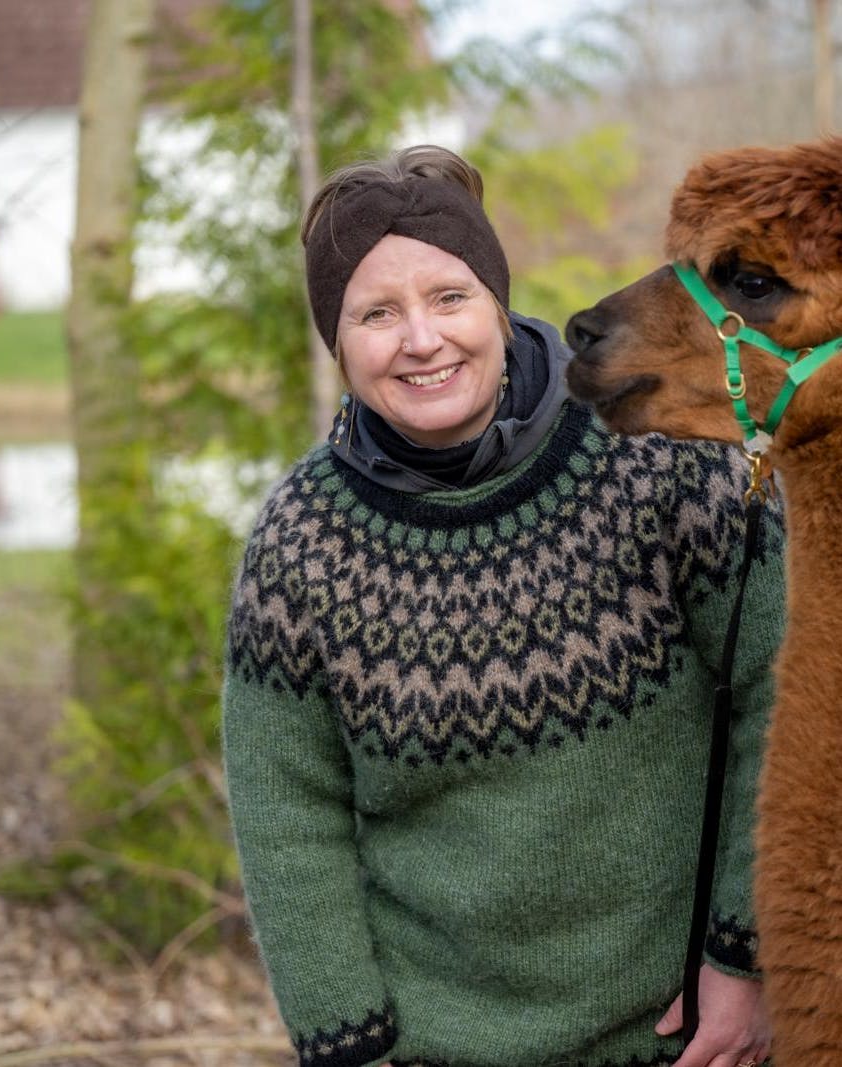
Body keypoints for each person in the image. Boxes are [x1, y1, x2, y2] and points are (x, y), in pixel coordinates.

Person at [222, 144, 785, 1067]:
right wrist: (348, 1045)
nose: (422, 338)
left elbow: (784, 691)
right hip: (439, 1045)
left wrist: (746, 954)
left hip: (686, 1033)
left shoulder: (657, 446)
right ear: (337, 343)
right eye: (376, 313)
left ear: (496, 300)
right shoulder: (302, 541)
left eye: (450, 298)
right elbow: (289, 818)